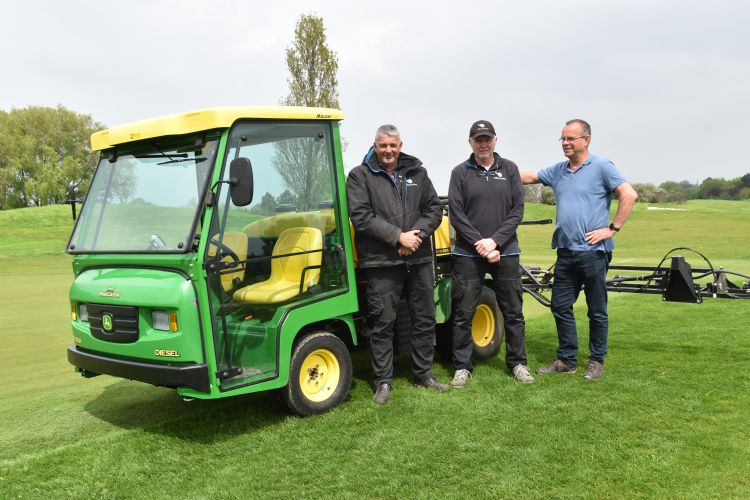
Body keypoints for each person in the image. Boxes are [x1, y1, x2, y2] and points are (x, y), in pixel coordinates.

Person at [521, 119, 638, 380]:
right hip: (565, 251)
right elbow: (529, 177)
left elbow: (628, 194)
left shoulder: (602, 166)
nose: (565, 143)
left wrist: (612, 228)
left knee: (596, 309)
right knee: (560, 306)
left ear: (587, 140)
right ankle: (567, 360)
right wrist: (496, 168)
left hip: (594, 252)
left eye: (571, 138)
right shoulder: (559, 170)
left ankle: (596, 361)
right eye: (562, 139)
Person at [347, 124, 449, 404]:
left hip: (418, 258)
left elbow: (434, 209)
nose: (388, 151)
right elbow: (361, 216)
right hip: (381, 262)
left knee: (424, 318)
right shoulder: (360, 176)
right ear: (375, 146)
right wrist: (397, 238)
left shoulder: (417, 172)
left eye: (393, 145)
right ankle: (383, 382)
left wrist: (415, 236)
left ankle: (424, 374)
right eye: (383, 146)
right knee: (382, 323)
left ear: (400, 145)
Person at [447, 120, 533, 388]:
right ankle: (462, 366)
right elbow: (457, 214)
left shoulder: (509, 169)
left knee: (513, 312)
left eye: (487, 139)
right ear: (470, 143)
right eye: (478, 139)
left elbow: (517, 210)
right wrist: (481, 244)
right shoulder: (460, 172)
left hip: (506, 252)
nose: (483, 144)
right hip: (468, 254)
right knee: (463, 312)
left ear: (495, 141)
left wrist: (495, 242)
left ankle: (518, 363)